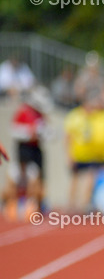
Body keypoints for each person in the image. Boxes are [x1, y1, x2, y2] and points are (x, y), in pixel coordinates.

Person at [65, 88, 104, 212]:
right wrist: (69, 155)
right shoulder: (75, 116)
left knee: (90, 179)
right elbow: (68, 137)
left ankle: (85, 205)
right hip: (78, 153)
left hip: (92, 154)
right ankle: (72, 206)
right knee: (76, 180)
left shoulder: (95, 116)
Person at [2, 86, 51, 220]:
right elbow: (13, 129)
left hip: (36, 149)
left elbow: (48, 132)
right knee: (20, 177)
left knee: (38, 177)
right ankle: (14, 204)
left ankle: (37, 204)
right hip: (25, 149)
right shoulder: (24, 112)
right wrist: (29, 133)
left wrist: (43, 134)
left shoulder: (41, 115)